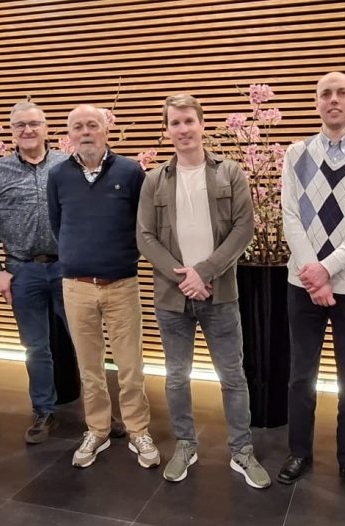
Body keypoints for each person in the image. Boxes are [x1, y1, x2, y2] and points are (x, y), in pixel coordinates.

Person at [137, 94, 271, 488]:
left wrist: (205, 272)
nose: (183, 130)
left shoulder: (230, 173)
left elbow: (244, 229)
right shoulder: (153, 179)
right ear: (167, 130)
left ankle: (242, 451)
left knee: (232, 376)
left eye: (188, 122)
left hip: (220, 293)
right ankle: (184, 444)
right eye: (175, 123)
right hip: (172, 296)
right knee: (177, 377)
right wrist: (184, 278)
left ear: (201, 124)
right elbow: (144, 237)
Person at [278, 71, 345, 500]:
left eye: (342, 93)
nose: (334, 100)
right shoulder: (297, 153)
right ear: (316, 103)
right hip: (301, 283)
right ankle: (299, 452)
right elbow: (292, 215)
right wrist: (313, 272)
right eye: (326, 94)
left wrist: (327, 270)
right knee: (300, 375)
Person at [47, 104, 158, 469]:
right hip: (76, 287)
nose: (85, 132)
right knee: (89, 367)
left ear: (105, 130)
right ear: (70, 134)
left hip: (122, 284)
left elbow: (143, 224)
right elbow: (57, 223)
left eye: (92, 125)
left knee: (130, 366)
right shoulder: (59, 175)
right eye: (77, 126)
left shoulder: (129, 172)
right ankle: (97, 429)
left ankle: (138, 429)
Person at [0, 102, 68, 443]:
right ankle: (44, 411)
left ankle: (101, 414)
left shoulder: (65, 164)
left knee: (84, 343)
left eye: (33, 124)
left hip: (67, 269)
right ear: (11, 131)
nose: (27, 131)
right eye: (19, 126)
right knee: (35, 346)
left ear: (46, 127)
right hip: (22, 270)